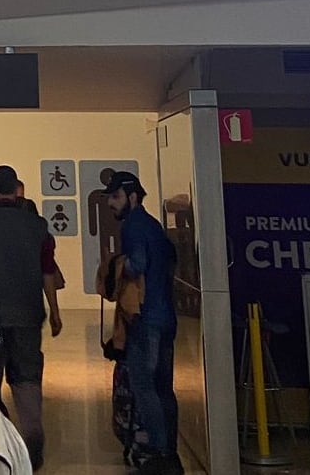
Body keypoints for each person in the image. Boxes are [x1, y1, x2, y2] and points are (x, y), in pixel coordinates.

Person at [0, 165, 62, 470]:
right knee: (27, 382)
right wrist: (55, 312)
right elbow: (48, 272)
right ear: (17, 188)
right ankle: (33, 450)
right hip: (28, 317)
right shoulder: (37, 226)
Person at [104, 170, 181, 475]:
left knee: (144, 386)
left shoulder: (134, 226)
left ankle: (159, 454)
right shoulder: (153, 225)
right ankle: (170, 452)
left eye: (115, 197)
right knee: (164, 388)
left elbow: (138, 264)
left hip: (144, 319)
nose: (111, 204)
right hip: (166, 318)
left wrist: (114, 265)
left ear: (132, 196)